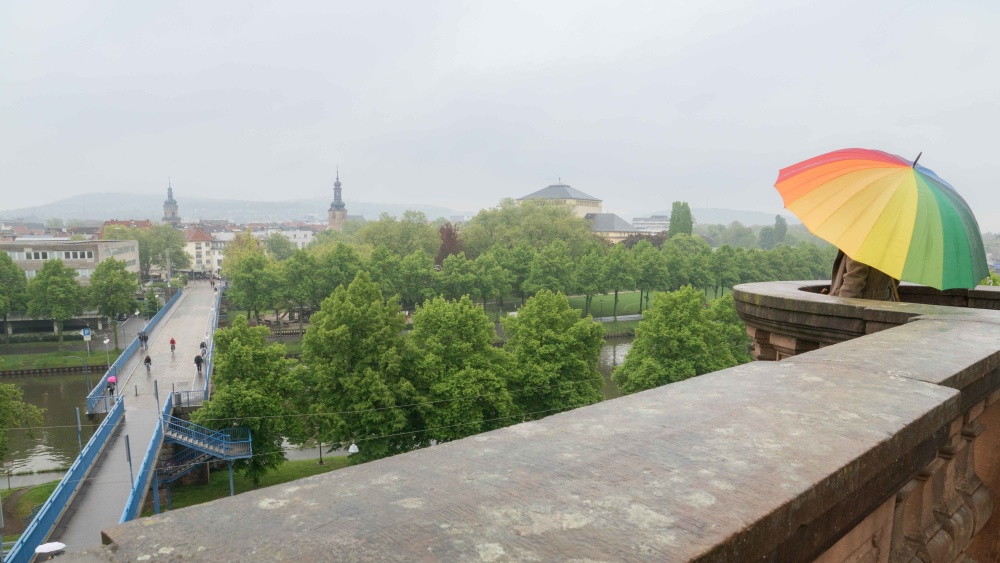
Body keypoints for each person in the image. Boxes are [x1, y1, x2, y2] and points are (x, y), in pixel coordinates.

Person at [825, 250, 894, 300]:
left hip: (864, 309)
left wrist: (839, 309)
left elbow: (852, 284)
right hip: (884, 302)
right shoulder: (894, 239)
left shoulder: (862, 238)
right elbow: (894, 281)